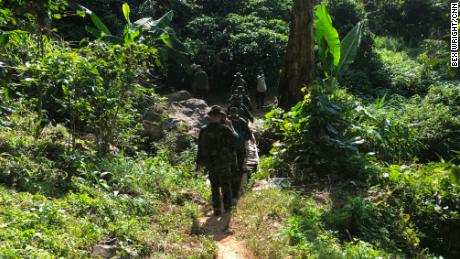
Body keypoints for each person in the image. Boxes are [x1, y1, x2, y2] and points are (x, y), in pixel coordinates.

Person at [196, 105, 239, 216]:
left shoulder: (203, 130)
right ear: (220, 116)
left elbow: (200, 148)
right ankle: (227, 207)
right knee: (225, 184)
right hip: (224, 162)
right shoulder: (225, 129)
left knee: (214, 185)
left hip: (211, 163)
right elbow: (236, 140)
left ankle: (217, 209)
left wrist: (199, 164)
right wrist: (231, 127)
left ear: (210, 116)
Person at [228, 107, 255, 200]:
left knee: (238, 165)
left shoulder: (241, 120)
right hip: (232, 147)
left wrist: (251, 138)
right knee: (234, 167)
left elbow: (247, 130)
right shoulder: (227, 122)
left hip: (239, 146)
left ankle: (236, 184)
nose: (233, 115)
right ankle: (234, 187)